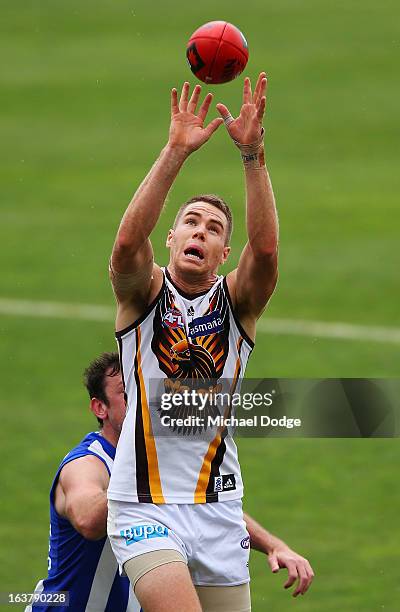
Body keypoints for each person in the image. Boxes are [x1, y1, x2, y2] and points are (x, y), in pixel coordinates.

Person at [107, 74, 314, 611]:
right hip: (143, 506)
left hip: (220, 510)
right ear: (170, 240)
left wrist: (253, 154)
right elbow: (128, 242)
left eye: (214, 228)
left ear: (225, 254)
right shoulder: (143, 294)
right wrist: (175, 150)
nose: (200, 232)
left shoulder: (237, 304)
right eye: (190, 223)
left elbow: (266, 254)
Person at [27, 353, 140, 612]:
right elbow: (89, 520)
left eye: (141, 387)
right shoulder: (86, 463)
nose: (138, 399)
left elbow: (205, 501)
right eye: (126, 392)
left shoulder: (161, 461)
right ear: (100, 408)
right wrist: (146, 476)